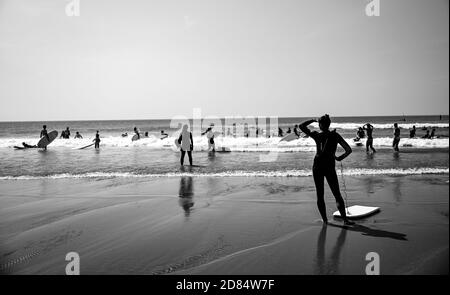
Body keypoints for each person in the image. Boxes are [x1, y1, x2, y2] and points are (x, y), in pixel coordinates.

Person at [299, 114, 354, 226]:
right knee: (337, 194)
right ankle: (345, 220)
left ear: (320, 125)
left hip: (317, 167)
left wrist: (312, 120)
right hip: (329, 167)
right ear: (329, 124)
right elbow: (348, 150)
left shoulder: (317, 135)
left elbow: (301, 126)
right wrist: (339, 158)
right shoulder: (335, 135)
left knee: (320, 195)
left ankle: (325, 221)